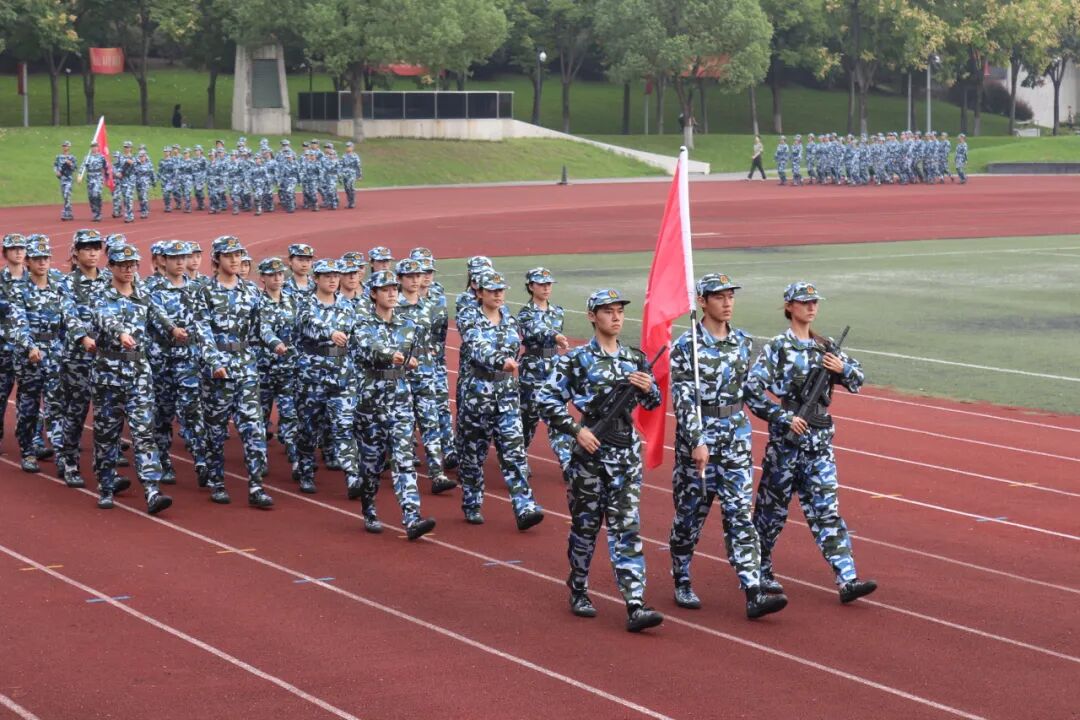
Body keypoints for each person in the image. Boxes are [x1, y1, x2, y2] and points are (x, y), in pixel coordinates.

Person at [536, 288, 663, 633]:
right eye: (608, 311)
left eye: (619, 310)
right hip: (590, 456)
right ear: (592, 316)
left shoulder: (635, 358)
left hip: (625, 455)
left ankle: (635, 602)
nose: (616, 317)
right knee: (586, 526)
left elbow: (653, 403)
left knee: (627, 527)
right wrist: (576, 431)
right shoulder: (577, 360)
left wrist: (648, 387)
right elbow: (546, 398)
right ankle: (578, 586)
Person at [745, 281, 877, 604]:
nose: (811, 307)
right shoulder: (778, 347)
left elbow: (858, 379)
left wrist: (842, 368)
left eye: (815, 302)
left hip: (819, 446)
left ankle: (847, 578)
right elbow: (751, 389)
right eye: (805, 302)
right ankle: (760, 570)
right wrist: (782, 417)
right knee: (770, 514)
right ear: (789, 306)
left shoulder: (825, 346)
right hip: (786, 445)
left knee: (827, 513)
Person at [668, 273, 788, 619]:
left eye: (730, 296)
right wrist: (697, 441)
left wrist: (781, 416)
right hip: (700, 444)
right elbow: (684, 400)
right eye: (719, 297)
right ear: (702, 302)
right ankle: (682, 578)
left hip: (736, 440)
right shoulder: (686, 346)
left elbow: (749, 392)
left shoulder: (742, 342)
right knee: (690, 516)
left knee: (739, 516)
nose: (727, 302)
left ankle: (752, 590)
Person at [91, 244, 184, 514]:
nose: (129, 269)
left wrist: (173, 329)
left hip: (139, 375)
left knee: (144, 433)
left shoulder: (142, 294)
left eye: (132, 264)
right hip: (108, 374)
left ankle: (152, 490)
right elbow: (104, 318)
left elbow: (157, 314)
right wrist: (120, 333)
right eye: (123, 265)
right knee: (107, 434)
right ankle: (106, 485)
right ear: (111, 266)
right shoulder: (101, 294)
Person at [455, 270, 545, 530]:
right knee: (474, 454)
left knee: (514, 451)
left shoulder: (510, 320)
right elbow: (477, 347)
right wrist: (499, 360)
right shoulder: (469, 318)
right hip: (477, 395)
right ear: (480, 293)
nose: (498, 295)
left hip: (506, 395)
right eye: (492, 291)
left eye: (501, 290)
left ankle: (524, 506)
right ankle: (472, 502)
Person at [354, 270, 437, 540]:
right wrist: (392, 356)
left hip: (400, 400)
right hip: (372, 401)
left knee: (404, 459)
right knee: (372, 464)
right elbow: (369, 349)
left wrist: (410, 363)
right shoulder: (363, 324)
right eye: (385, 289)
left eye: (394, 289)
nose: (392, 293)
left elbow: (416, 356)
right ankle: (369, 508)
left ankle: (412, 518)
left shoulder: (409, 325)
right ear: (373, 294)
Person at [196, 235, 274, 508]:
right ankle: (217, 481)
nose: (235, 260)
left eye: (238, 255)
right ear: (216, 259)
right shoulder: (205, 292)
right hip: (218, 370)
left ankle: (256, 486)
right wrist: (214, 362)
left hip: (246, 366)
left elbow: (261, 327)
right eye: (228, 256)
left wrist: (276, 343)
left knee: (254, 427)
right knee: (216, 430)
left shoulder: (251, 291)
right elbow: (202, 331)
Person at [9, 236, 95, 473]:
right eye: (37, 259)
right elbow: (18, 323)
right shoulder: (19, 289)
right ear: (27, 262)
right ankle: (28, 450)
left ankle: (62, 457)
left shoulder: (59, 286)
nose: (42, 263)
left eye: (45, 258)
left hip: (55, 353)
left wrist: (82, 337)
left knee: (56, 406)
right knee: (28, 408)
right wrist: (29, 347)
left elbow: (70, 316)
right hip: (29, 357)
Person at [292, 259, 365, 496]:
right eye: (327, 276)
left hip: (342, 376)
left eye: (336, 276)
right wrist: (330, 332)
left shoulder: (347, 305)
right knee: (308, 428)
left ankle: (353, 476)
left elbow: (358, 335)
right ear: (316, 279)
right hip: (312, 376)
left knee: (344, 425)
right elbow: (308, 324)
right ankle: (305, 471)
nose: (333, 280)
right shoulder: (305, 304)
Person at [148, 240, 211, 487]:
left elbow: (205, 319)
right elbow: (156, 314)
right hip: (161, 359)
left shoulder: (198, 288)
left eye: (183, 258)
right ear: (163, 260)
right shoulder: (152, 288)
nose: (180, 263)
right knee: (163, 412)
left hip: (189, 359)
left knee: (192, 408)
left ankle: (201, 460)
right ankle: (163, 461)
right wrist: (172, 329)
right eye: (175, 258)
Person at [55, 229, 111, 489]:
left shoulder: (109, 279)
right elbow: (69, 315)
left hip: (107, 360)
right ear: (76, 253)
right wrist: (83, 338)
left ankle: (105, 471)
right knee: (76, 412)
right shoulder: (67, 283)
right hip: (78, 358)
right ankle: (69, 462)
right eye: (86, 248)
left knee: (105, 416)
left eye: (96, 248)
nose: (92, 253)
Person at [396, 258, 456, 494]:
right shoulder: (392, 306)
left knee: (430, 421)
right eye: (410, 276)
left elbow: (437, 336)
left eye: (418, 276)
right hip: (399, 372)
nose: (415, 280)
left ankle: (437, 473)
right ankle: (401, 470)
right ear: (399, 279)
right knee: (402, 424)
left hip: (426, 370)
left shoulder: (428, 306)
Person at [515, 267, 571, 469]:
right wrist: (555, 336)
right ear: (531, 286)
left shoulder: (558, 311)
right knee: (528, 417)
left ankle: (567, 462)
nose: (546, 288)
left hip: (554, 368)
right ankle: (519, 458)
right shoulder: (525, 313)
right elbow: (536, 329)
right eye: (541, 284)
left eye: (548, 284)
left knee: (559, 414)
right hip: (533, 369)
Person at [256, 257, 300, 478]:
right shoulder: (256, 302)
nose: (277, 278)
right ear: (262, 278)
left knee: (290, 414)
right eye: (272, 275)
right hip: (263, 368)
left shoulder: (292, 300)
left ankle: (296, 458)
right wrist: (275, 344)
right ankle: (259, 458)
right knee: (260, 417)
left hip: (288, 369)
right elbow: (262, 329)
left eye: (280, 274)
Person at [78, 140, 108, 222]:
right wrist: (80, 175)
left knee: (96, 194)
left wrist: (107, 178)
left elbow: (106, 167)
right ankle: (95, 213)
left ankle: (98, 213)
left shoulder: (101, 157)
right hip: (90, 178)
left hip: (98, 177)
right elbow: (82, 167)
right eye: (92, 146)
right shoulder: (87, 157)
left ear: (98, 147)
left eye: (95, 146)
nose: (94, 148)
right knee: (91, 197)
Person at [54, 140, 77, 221]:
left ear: (69, 147)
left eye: (66, 146)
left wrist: (70, 163)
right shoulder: (58, 157)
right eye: (64, 146)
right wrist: (56, 172)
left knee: (67, 194)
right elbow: (55, 165)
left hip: (69, 178)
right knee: (64, 196)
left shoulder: (72, 157)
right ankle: (69, 212)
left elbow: (75, 168)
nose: (65, 147)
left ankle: (66, 213)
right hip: (62, 179)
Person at [340, 141, 362, 209]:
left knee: (350, 186)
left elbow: (358, 166)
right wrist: (340, 173)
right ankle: (349, 202)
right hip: (345, 174)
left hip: (352, 174)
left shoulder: (355, 156)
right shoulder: (344, 156)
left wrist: (359, 175)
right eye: (347, 146)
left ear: (352, 148)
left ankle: (352, 202)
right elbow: (341, 165)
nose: (348, 148)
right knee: (346, 188)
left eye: (349, 146)